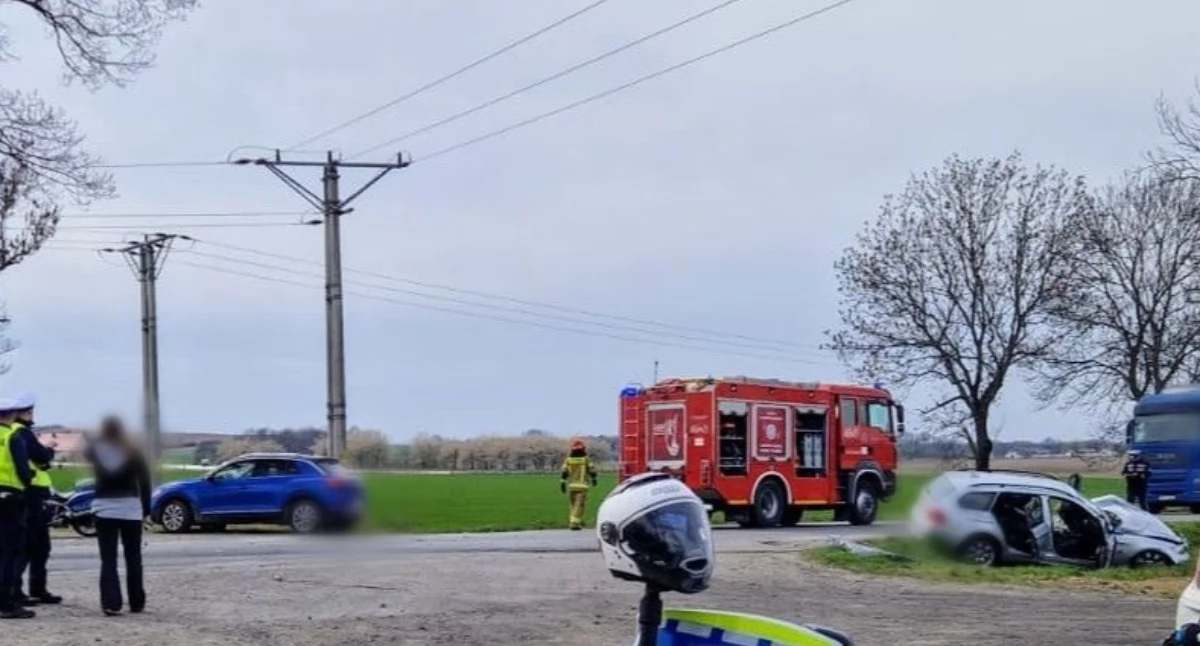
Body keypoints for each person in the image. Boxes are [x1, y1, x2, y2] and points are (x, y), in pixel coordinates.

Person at [85, 415, 152, 616]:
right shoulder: (134, 452)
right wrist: (145, 509)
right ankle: (137, 602)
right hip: (131, 510)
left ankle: (111, 603)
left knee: (108, 559)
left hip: (104, 509)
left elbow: (88, 450)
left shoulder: (97, 451)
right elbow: (145, 482)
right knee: (133, 557)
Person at [10, 393, 60, 605]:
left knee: (33, 545)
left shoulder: (14, 433)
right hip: (31, 495)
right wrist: (49, 447)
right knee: (33, 545)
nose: (32, 415)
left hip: (27, 493)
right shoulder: (23, 433)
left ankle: (29, 589)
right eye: (29, 411)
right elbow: (41, 457)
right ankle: (24, 590)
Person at [0, 399, 35, 619]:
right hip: (12, 498)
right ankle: (7, 603)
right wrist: (28, 480)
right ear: (11, 415)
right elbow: (23, 469)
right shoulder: (12, 436)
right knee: (11, 551)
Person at [559, 438, 598, 531]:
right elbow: (592, 470)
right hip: (582, 486)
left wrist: (562, 483)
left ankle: (574, 522)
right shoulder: (585, 459)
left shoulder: (568, 460)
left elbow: (564, 472)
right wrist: (594, 479)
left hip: (572, 486)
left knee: (573, 505)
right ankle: (574, 523)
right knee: (579, 505)